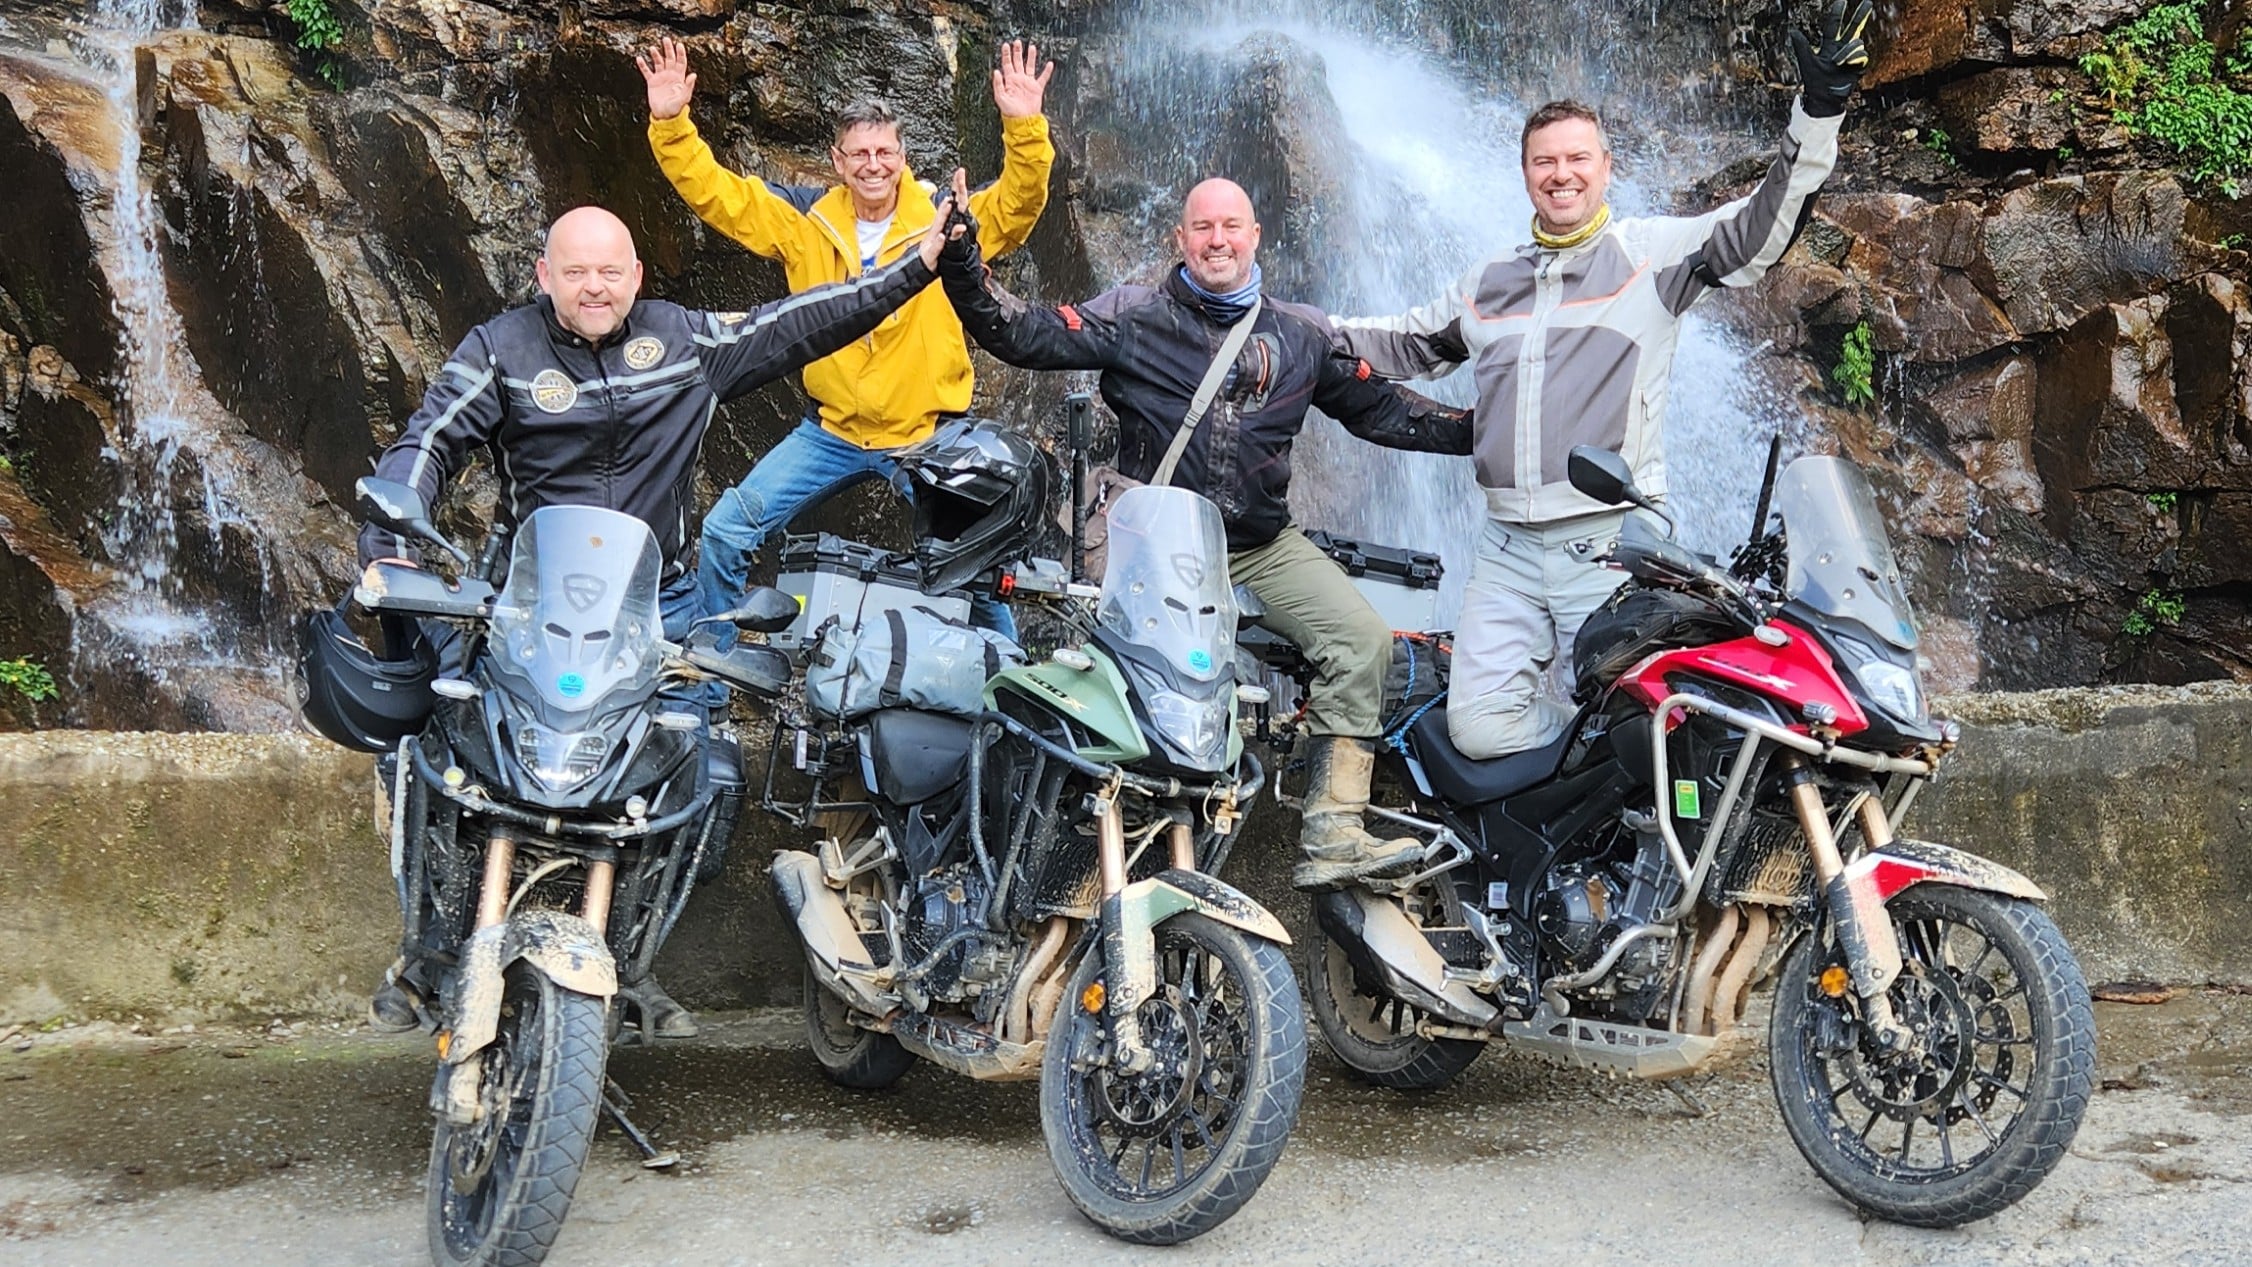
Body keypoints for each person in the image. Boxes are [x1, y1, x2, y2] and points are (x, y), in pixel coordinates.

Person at [358, 203, 962, 1037]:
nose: (595, 286)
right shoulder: (500, 349)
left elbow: (803, 320)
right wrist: (393, 545)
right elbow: (426, 443)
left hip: (658, 603)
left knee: (697, 772)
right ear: (545, 277)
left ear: (637, 277)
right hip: (528, 603)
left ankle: (633, 964)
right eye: (576, 271)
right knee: (438, 749)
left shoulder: (684, 342)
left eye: (611, 270)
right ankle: (427, 952)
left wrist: (919, 266)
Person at [1329, 0, 1871, 760]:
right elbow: (1402, 341)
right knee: (1479, 728)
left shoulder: (1652, 257)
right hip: (1507, 550)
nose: (1561, 174)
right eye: (1544, 161)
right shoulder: (1489, 283)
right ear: (1524, 174)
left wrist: (1818, 113)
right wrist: (1284, 330)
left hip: (1610, 545)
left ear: (1606, 168)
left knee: (1649, 728)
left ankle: (1626, 842)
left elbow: (1759, 230)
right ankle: (1568, 813)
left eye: (1577, 158)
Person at [936, 172, 1474, 890]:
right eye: (1202, 228)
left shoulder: (1303, 335)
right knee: (1136, 691)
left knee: (1363, 643)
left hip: (1260, 544)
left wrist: (1485, 431)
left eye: (1231, 226)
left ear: (1255, 237)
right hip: (1154, 543)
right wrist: (963, 262)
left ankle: (1334, 828)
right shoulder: (1135, 315)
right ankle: (1077, 856)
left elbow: (1384, 412)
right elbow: (1024, 332)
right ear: (1180, 240)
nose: (1217, 239)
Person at [638, 36, 1055, 631]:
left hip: (925, 435)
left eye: (884, 151)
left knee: (979, 566)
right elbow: (718, 195)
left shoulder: (943, 216)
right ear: (837, 162)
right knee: (727, 532)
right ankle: (714, 683)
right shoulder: (806, 221)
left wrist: (1024, 127)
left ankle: (1005, 695)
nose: (873, 164)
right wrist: (671, 122)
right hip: (830, 431)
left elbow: (1017, 205)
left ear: (903, 156)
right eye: (859, 153)